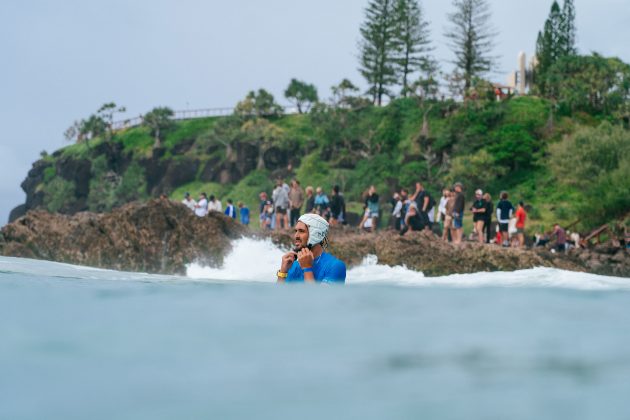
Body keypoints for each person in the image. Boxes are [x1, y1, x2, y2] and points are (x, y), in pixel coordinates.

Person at [276, 213, 346, 284]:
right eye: (296, 231)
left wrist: (307, 268)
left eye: (301, 231)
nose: (296, 236)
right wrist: (282, 273)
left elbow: (317, 295)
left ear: (315, 235)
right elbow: (279, 295)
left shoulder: (335, 266)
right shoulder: (293, 265)